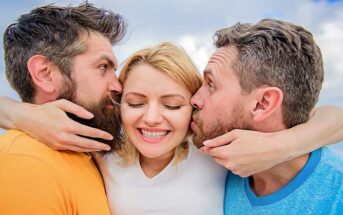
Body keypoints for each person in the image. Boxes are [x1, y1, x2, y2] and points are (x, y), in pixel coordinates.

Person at [190, 19, 343, 214]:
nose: (194, 99)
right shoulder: (214, 162)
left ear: (263, 103)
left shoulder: (336, 196)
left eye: (211, 85)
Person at [0, 3, 126, 215]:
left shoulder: (90, 156)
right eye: (103, 67)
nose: (118, 86)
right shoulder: (28, 164)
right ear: (46, 74)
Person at [94, 42, 227, 214]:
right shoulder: (103, 156)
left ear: (193, 109)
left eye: (172, 106)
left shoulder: (217, 156)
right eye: (136, 103)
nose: (151, 118)